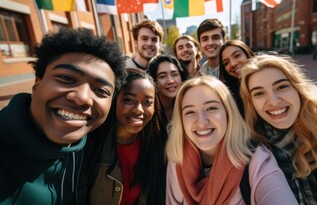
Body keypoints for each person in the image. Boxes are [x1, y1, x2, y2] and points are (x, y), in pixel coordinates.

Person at [0, 27, 126, 204]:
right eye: (67, 78)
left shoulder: (86, 146)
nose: (83, 98)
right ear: (37, 83)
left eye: (100, 90)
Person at [240, 54, 317, 204]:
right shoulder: (250, 152)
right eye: (259, 93)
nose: (273, 101)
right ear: (251, 103)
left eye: (282, 87)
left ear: (298, 89)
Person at [166, 75, 298, 204]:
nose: (201, 122)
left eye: (211, 108)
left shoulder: (256, 160)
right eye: (190, 112)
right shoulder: (178, 158)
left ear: (228, 113)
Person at [83, 68, 167, 205]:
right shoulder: (90, 144)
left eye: (147, 102)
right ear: (115, 100)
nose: (139, 109)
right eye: (129, 100)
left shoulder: (156, 145)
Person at [147, 55, 188, 129]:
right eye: (162, 76)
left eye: (174, 74)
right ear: (154, 82)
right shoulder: (149, 111)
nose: (170, 81)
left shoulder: (188, 105)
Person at [219, 39, 254, 117]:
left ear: (247, 53)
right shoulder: (228, 97)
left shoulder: (269, 77)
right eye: (226, 63)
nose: (232, 64)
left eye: (237, 55)